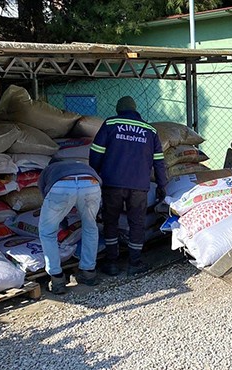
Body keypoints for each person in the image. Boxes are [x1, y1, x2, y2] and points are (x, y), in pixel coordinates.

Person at [89, 96, 167, 277]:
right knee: (137, 222)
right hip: (139, 185)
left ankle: (112, 263)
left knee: (111, 221)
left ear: (118, 109)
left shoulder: (111, 123)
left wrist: (96, 174)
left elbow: (96, 152)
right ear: (135, 108)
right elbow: (159, 162)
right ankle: (135, 263)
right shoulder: (150, 130)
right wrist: (162, 185)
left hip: (112, 183)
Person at [37, 159, 102, 294]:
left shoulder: (47, 171)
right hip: (91, 183)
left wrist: (62, 221)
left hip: (61, 186)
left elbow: (47, 197)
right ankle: (89, 272)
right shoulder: (81, 165)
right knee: (90, 227)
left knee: (47, 232)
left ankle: (57, 278)